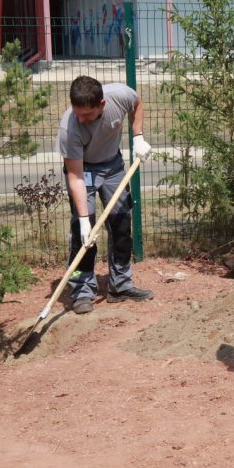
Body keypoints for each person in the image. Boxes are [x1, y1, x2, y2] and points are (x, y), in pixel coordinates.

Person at [58, 75, 154, 315]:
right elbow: (76, 177)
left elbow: (137, 104)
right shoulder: (69, 128)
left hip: (113, 167)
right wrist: (82, 221)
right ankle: (81, 290)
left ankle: (120, 285)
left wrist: (138, 137)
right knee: (85, 233)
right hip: (84, 170)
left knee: (122, 222)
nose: (81, 118)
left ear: (101, 104)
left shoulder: (120, 96)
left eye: (87, 114)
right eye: (77, 112)